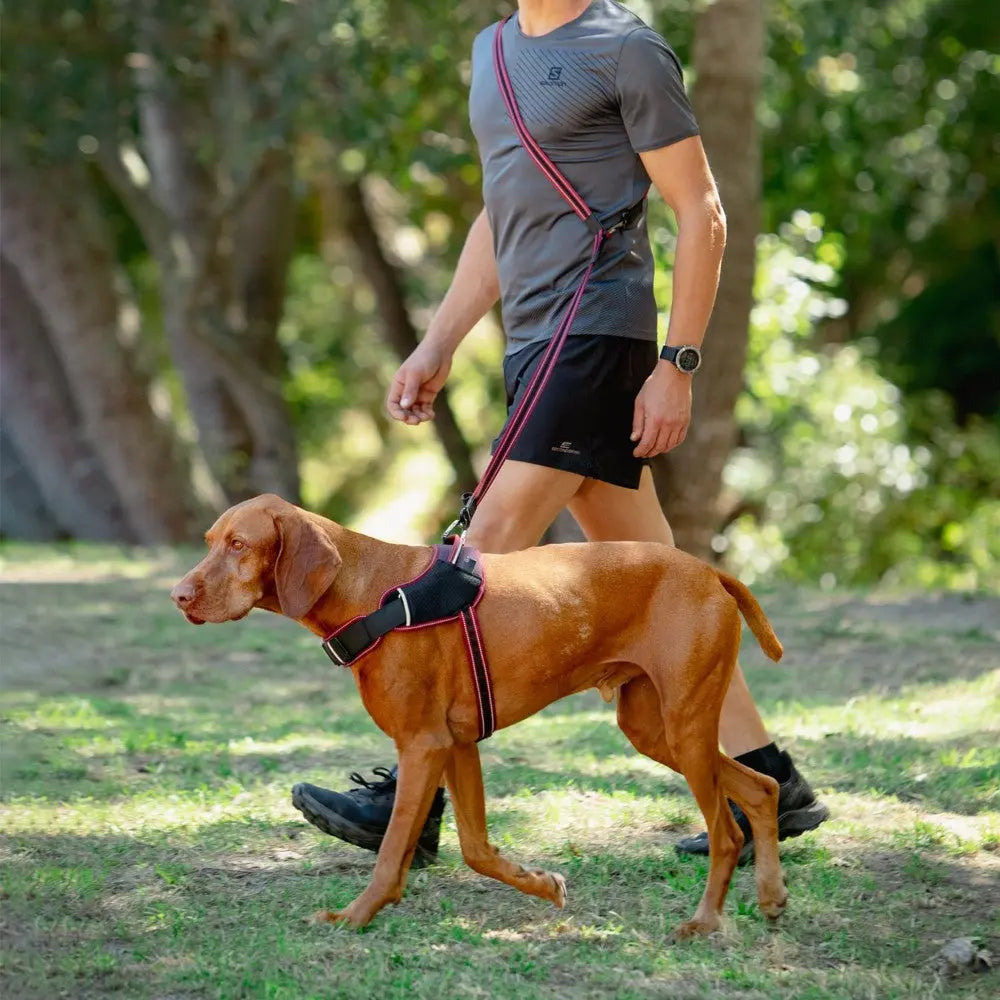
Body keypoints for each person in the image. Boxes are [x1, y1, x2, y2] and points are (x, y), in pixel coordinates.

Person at [292, 0, 828, 868]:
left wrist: (677, 364)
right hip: (534, 342)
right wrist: (439, 341)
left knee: (481, 553)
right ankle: (771, 779)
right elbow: (500, 214)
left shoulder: (626, 50)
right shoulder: (491, 51)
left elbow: (702, 211)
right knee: (658, 582)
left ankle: (410, 799)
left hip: (597, 336)